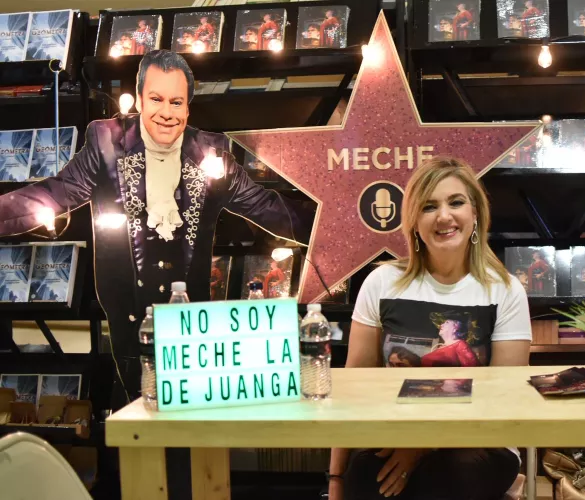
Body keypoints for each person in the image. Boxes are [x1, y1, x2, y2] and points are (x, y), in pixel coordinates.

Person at [0, 50, 310, 406]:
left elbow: (267, 207)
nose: (166, 112)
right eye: (156, 99)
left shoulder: (212, 153)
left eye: (176, 102)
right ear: (140, 99)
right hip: (128, 312)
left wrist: (341, 225)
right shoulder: (106, 143)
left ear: (188, 108)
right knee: (140, 405)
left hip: (191, 317)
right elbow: (53, 194)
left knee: (189, 410)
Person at [329, 157, 532, 500]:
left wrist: (422, 446)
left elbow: (503, 398)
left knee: (453, 473)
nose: (444, 216)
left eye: (456, 202)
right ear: (414, 222)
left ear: (475, 213)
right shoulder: (381, 283)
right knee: (365, 474)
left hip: (481, 439)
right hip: (394, 432)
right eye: (429, 206)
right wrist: (336, 478)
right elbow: (353, 391)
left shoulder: (505, 289)